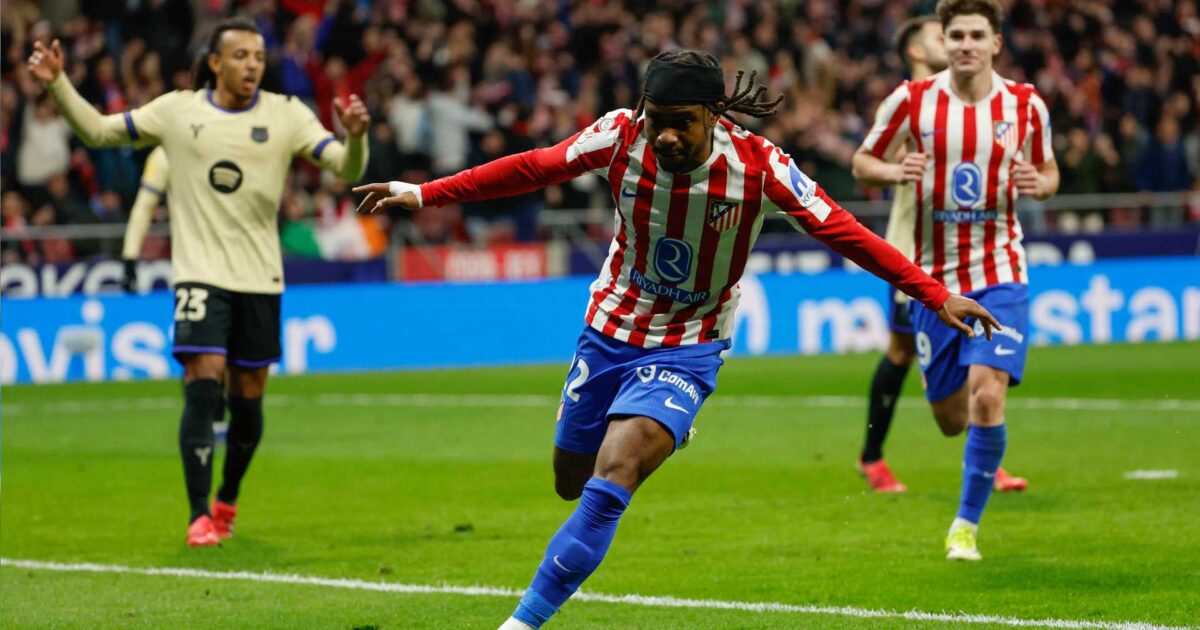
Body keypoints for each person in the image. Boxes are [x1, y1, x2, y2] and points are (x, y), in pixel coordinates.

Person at [355, 49, 999, 628]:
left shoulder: (760, 166)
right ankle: (663, 421)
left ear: (714, 115)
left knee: (615, 475)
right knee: (570, 479)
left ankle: (522, 622)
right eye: (655, 118)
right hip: (611, 327)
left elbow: (844, 230)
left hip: (690, 340)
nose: (663, 134)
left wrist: (933, 293)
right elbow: (532, 167)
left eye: (681, 122)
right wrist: (423, 193)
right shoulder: (619, 135)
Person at [28, 17, 371, 546]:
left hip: (260, 277)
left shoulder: (286, 115)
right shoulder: (177, 111)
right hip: (199, 275)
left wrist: (357, 138)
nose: (251, 65)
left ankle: (227, 497)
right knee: (203, 380)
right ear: (215, 62)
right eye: (240, 56)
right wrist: (58, 83)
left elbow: (347, 169)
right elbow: (97, 131)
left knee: (248, 400)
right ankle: (198, 514)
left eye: (258, 57)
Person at [852, 0, 1059, 560]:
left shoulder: (1025, 104)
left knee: (988, 393)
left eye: (977, 35)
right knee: (950, 417)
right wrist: (895, 170)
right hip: (932, 282)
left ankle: (965, 526)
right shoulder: (910, 101)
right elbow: (862, 162)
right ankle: (977, 447)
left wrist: (1039, 184)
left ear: (996, 43)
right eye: (958, 35)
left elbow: (1050, 172)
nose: (967, 44)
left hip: (1000, 269)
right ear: (943, 42)